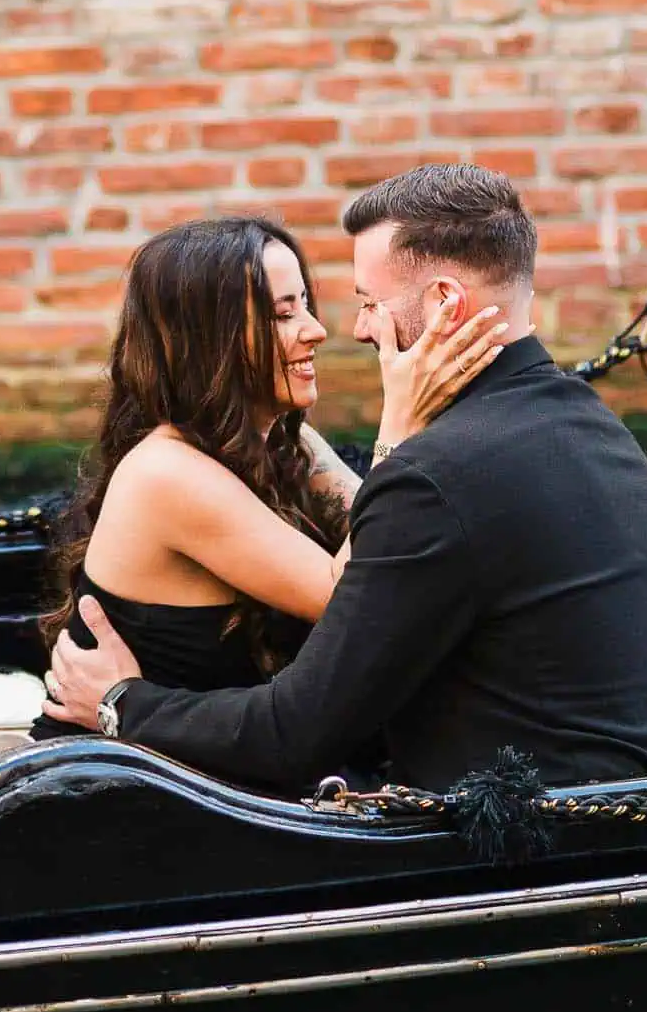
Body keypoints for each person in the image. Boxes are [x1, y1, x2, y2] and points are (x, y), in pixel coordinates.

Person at [42, 164, 647, 792]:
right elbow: (374, 577)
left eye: (363, 302)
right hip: (150, 777)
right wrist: (399, 435)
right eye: (284, 312)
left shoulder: (401, 468)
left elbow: (375, 579)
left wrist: (123, 700)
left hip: (524, 817)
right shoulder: (596, 428)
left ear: (445, 302)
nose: (334, 329)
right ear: (210, 337)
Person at [29, 215, 508, 744]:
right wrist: (401, 421)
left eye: (304, 303)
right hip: (113, 783)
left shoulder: (286, 444)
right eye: (283, 314)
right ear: (209, 339)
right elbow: (354, 595)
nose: (316, 330)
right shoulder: (164, 473)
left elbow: (390, 537)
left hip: (213, 764)